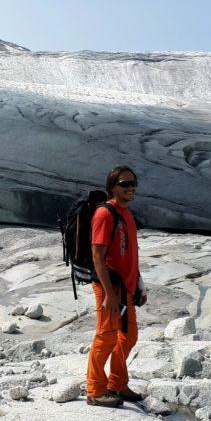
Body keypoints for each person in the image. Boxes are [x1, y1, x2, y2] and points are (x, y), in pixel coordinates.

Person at [86, 165, 146, 407]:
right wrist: (109, 294)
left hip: (126, 287)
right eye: (125, 184)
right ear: (112, 187)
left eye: (133, 183)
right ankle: (95, 390)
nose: (131, 188)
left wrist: (139, 284)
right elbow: (97, 256)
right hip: (109, 286)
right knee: (106, 337)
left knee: (128, 336)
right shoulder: (104, 214)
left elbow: (131, 252)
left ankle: (118, 384)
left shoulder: (127, 214)